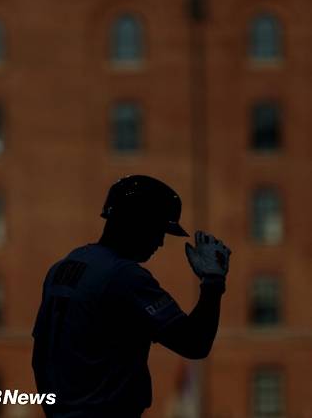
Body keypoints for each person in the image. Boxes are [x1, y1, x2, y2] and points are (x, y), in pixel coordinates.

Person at [31, 175, 231, 418]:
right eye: (158, 230)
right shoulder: (125, 276)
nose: (160, 242)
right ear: (136, 223)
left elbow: (39, 353)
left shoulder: (62, 267)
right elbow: (194, 343)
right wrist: (213, 282)